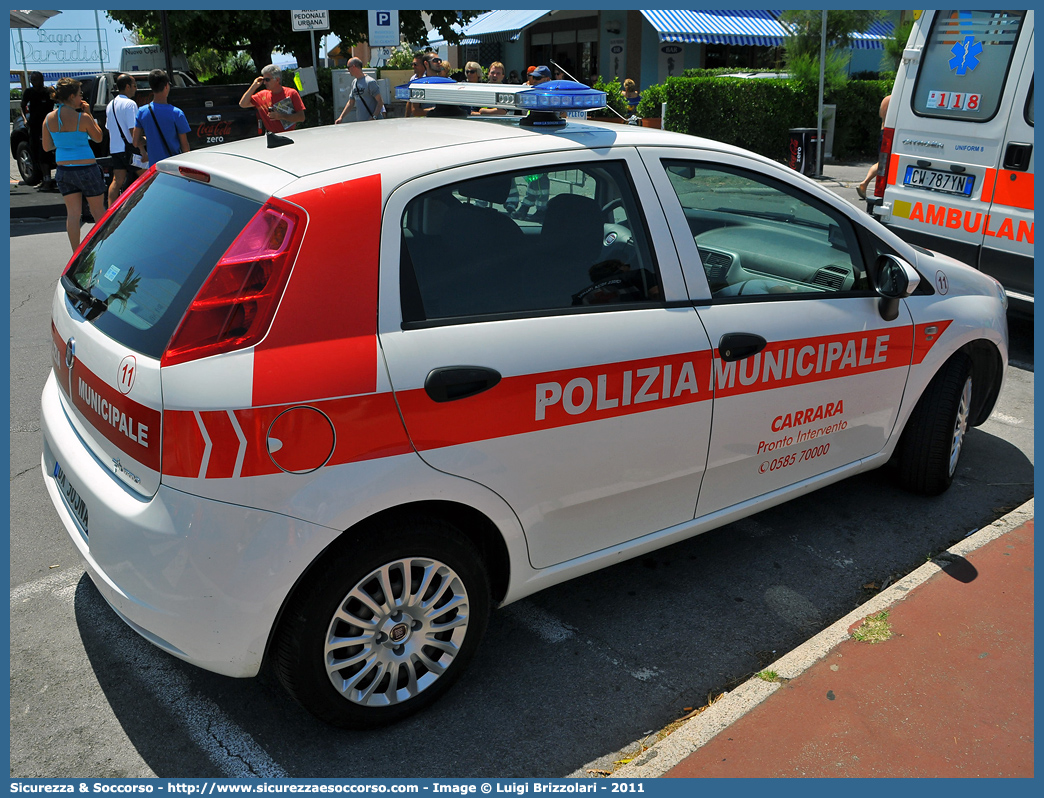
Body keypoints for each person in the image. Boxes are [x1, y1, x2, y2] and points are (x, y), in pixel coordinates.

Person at [41, 78, 107, 251]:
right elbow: (98, 137)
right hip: (87, 168)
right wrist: (89, 114)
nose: (81, 98)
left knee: (73, 214)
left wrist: (64, 142)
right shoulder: (83, 118)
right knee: (98, 212)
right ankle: (102, 250)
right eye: (79, 95)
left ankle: (75, 253)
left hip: (64, 170)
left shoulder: (48, 119)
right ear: (71, 96)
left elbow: (47, 147)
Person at [132, 69, 190, 165]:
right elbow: (185, 147)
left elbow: (135, 142)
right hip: (173, 167)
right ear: (166, 86)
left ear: (151, 87)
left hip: (155, 168)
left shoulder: (142, 112)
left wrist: (148, 139)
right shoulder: (177, 113)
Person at [239, 63, 306, 134]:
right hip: (271, 135)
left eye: (267, 80)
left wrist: (281, 116)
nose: (264, 82)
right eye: (263, 79)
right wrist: (254, 86)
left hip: (289, 134)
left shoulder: (291, 93)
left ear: (277, 80)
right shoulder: (262, 95)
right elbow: (243, 104)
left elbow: (301, 117)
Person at [105, 74, 140, 206]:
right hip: (129, 148)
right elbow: (133, 130)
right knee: (147, 176)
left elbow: (108, 128)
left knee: (117, 180)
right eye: (134, 86)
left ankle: (111, 210)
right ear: (127, 86)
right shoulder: (130, 104)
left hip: (115, 149)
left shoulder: (111, 104)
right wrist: (142, 147)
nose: (135, 89)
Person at [21, 71, 56, 190]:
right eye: (32, 79)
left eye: (36, 79)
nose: (34, 82)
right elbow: (22, 106)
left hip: (47, 126)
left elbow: (58, 103)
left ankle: (48, 180)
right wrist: (25, 119)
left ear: (42, 80)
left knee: (44, 153)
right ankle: (43, 179)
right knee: (35, 152)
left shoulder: (48, 92)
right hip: (34, 126)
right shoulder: (29, 92)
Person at [857, 94, 891, 200]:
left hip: (884, 130)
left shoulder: (886, 99)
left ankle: (865, 184)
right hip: (890, 132)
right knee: (883, 162)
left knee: (882, 161)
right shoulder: (896, 98)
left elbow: (881, 114)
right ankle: (865, 183)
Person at [335, 57, 384, 123]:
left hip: (373, 123)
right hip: (361, 123)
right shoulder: (354, 82)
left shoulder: (370, 82)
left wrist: (374, 117)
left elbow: (380, 102)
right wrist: (341, 117)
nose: (348, 70)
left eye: (348, 67)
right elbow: (351, 102)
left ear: (353, 67)